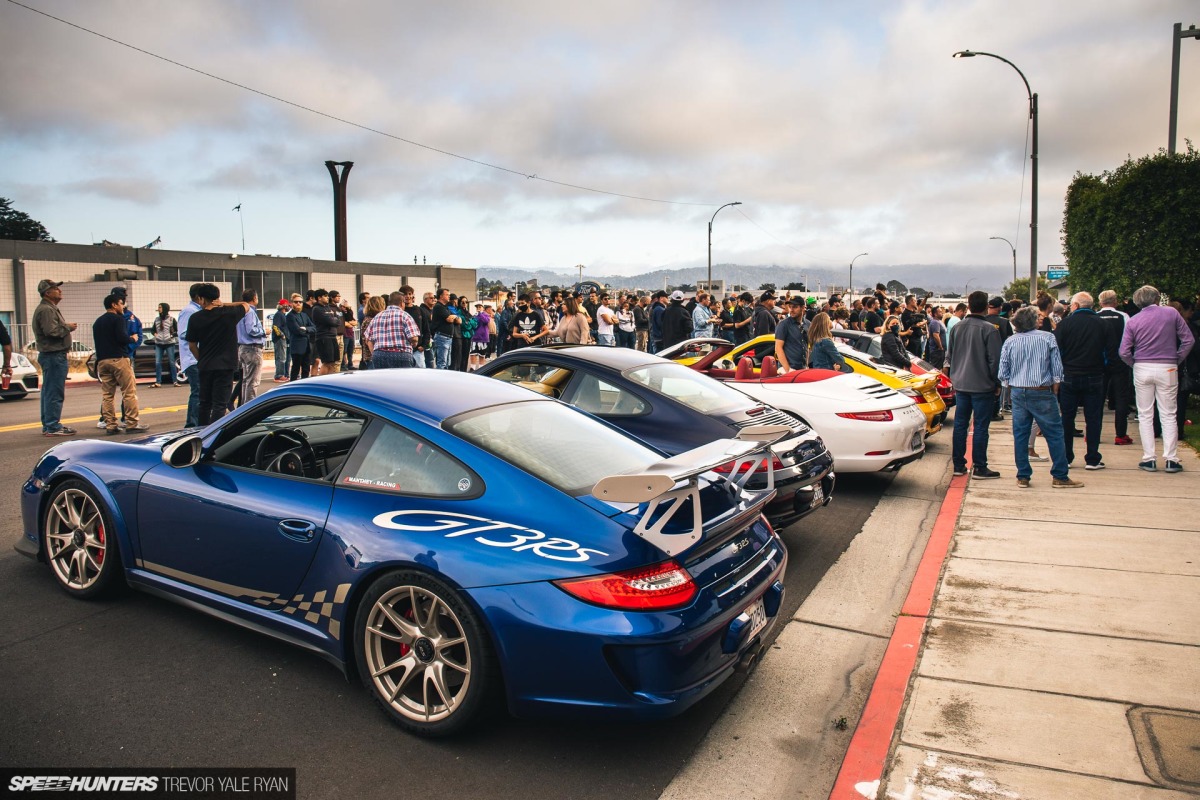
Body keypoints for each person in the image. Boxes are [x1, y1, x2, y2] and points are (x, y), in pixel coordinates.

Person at [999, 306, 1082, 488]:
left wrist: (1010, 387)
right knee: (1054, 433)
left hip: (1019, 390)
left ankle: (1023, 475)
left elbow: (1003, 371)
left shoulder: (1010, 341)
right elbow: (1057, 367)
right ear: (1033, 320)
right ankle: (1059, 475)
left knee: (1020, 433)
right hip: (1042, 389)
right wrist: (1055, 386)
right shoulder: (1047, 338)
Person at [1119, 284, 1195, 473]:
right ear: (1156, 298)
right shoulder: (1171, 314)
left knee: (1145, 414)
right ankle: (1171, 458)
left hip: (1142, 366)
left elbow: (1123, 351)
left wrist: (1134, 363)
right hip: (1167, 366)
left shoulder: (1134, 320)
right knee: (1168, 413)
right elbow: (1188, 340)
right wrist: (1177, 358)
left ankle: (1149, 458)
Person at [1054, 292, 1118, 470]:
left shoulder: (1065, 325)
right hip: (1094, 375)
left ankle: (1066, 456)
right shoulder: (1103, 325)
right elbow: (1111, 352)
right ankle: (1092, 457)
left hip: (1069, 375)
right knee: (1094, 417)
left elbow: (1057, 352)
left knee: (1067, 417)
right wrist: (1105, 370)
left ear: (1074, 306)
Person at [946, 291, 1003, 479]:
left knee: (960, 425)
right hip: (982, 385)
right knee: (980, 427)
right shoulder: (989, 329)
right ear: (986, 306)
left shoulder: (957, 328)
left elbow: (950, 356)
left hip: (961, 384)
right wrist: (997, 382)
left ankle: (958, 464)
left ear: (968, 306)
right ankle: (980, 466)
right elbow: (995, 360)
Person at [185, 284, 252, 425]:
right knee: (220, 405)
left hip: (206, 365)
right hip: (225, 366)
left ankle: (201, 432)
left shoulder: (195, 318)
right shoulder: (230, 313)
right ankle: (214, 434)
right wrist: (224, 304)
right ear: (217, 298)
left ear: (202, 299)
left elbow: (192, 345)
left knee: (204, 403)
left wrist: (201, 359)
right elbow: (246, 305)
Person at [93, 293, 147, 434]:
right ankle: (132, 423)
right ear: (114, 305)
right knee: (129, 392)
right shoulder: (119, 319)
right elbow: (122, 338)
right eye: (121, 303)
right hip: (119, 358)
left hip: (102, 361)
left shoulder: (97, 322)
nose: (123, 306)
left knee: (107, 395)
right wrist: (133, 338)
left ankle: (110, 425)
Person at [31, 279, 77, 437]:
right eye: (55, 288)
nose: (59, 290)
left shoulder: (48, 308)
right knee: (54, 392)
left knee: (49, 391)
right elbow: (51, 331)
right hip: (53, 355)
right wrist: (67, 327)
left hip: (52, 355)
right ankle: (52, 426)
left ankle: (49, 424)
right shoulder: (46, 310)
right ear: (47, 293)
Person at [1096, 290, 1133, 445]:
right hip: (1119, 361)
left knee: (1096, 399)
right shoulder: (1123, 317)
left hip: (1099, 362)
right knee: (1121, 398)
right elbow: (1129, 338)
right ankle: (1120, 434)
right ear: (1115, 302)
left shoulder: (1095, 317)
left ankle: (1093, 433)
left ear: (1100, 302)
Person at [363, 291, 420, 368]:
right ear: (402, 302)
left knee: (383, 379)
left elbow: (368, 340)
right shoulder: (405, 316)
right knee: (407, 378)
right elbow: (414, 338)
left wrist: (374, 353)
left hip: (379, 354)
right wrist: (414, 344)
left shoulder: (377, 317)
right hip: (401, 354)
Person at [178, 284, 204, 426]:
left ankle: (194, 423)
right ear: (199, 297)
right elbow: (183, 333)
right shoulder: (189, 311)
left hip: (195, 357)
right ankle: (192, 425)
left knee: (199, 392)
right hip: (192, 358)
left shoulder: (196, 310)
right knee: (198, 392)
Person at [236, 289, 268, 406]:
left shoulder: (240, 311)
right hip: (252, 348)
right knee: (253, 382)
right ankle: (249, 407)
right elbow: (251, 330)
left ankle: (244, 405)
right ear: (254, 298)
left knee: (246, 381)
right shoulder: (249, 312)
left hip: (243, 348)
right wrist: (264, 331)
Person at [310, 289, 342, 375]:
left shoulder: (327, 307)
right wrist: (334, 319)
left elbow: (338, 320)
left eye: (327, 296)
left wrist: (334, 319)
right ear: (319, 298)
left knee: (333, 362)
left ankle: (330, 380)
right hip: (324, 337)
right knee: (327, 362)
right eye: (325, 296)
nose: (327, 298)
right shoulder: (316, 309)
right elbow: (331, 321)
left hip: (332, 336)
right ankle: (322, 381)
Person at [774, 297, 809, 373]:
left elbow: (808, 347)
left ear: (803, 308)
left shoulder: (808, 324)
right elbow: (778, 348)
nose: (791, 310)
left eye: (795, 307)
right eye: (790, 307)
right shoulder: (783, 324)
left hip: (802, 369)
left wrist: (806, 365)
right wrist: (788, 369)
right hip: (787, 369)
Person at [285, 296, 316, 381]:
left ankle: (305, 387)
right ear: (292, 303)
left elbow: (314, 328)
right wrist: (307, 330)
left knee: (306, 369)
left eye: (300, 302)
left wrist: (306, 329)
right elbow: (297, 331)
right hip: (297, 347)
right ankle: (292, 389)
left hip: (307, 346)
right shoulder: (290, 316)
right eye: (296, 302)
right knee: (295, 369)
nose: (298, 303)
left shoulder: (304, 315)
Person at [149, 302, 179, 387]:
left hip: (169, 343)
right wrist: (155, 335)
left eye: (160, 307)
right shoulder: (157, 319)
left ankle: (175, 381)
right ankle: (158, 382)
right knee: (158, 362)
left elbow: (177, 331)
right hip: (159, 343)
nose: (158, 309)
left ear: (165, 308)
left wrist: (171, 335)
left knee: (172, 362)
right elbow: (152, 330)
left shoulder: (171, 319)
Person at [430, 288, 460, 369]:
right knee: (442, 363)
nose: (449, 296)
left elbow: (459, 321)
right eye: (447, 295)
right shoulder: (438, 307)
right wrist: (455, 316)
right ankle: (439, 380)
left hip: (448, 337)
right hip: (442, 337)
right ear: (441, 296)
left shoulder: (445, 307)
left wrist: (455, 316)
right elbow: (449, 319)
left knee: (447, 363)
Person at [271, 299, 290, 382]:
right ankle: (279, 375)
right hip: (280, 340)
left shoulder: (283, 315)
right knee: (281, 357)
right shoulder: (279, 315)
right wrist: (282, 335)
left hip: (284, 339)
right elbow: (275, 327)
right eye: (287, 305)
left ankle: (285, 374)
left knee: (285, 358)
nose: (288, 306)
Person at [469, 303, 491, 369]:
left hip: (483, 339)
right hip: (475, 338)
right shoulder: (474, 316)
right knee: (473, 354)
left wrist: (480, 314)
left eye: (479, 307)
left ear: (482, 308)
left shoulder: (486, 315)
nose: (478, 308)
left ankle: (481, 369)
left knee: (482, 355)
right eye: (477, 307)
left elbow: (486, 321)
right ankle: (472, 368)